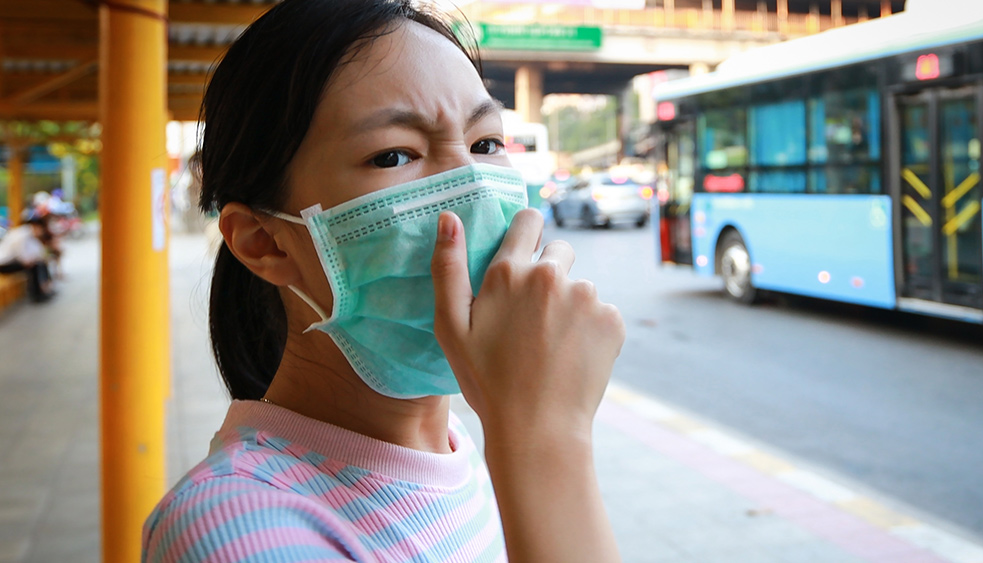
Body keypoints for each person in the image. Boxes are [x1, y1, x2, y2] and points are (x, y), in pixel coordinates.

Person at [142, 1, 625, 562]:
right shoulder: (232, 527)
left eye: (486, 144)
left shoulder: (461, 450)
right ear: (263, 242)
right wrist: (544, 434)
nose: (473, 187)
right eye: (394, 155)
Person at [0, 215, 56, 302]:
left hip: (12, 262)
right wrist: (29, 261)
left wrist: (37, 259)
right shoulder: (22, 234)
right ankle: (37, 294)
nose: (42, 232)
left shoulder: (28, 234)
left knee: (39, 263)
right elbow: (20, 252)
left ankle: (44, 288)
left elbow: (37, 252)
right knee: (34, 266)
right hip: (4, 264)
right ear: (36, 226)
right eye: (41, 229)